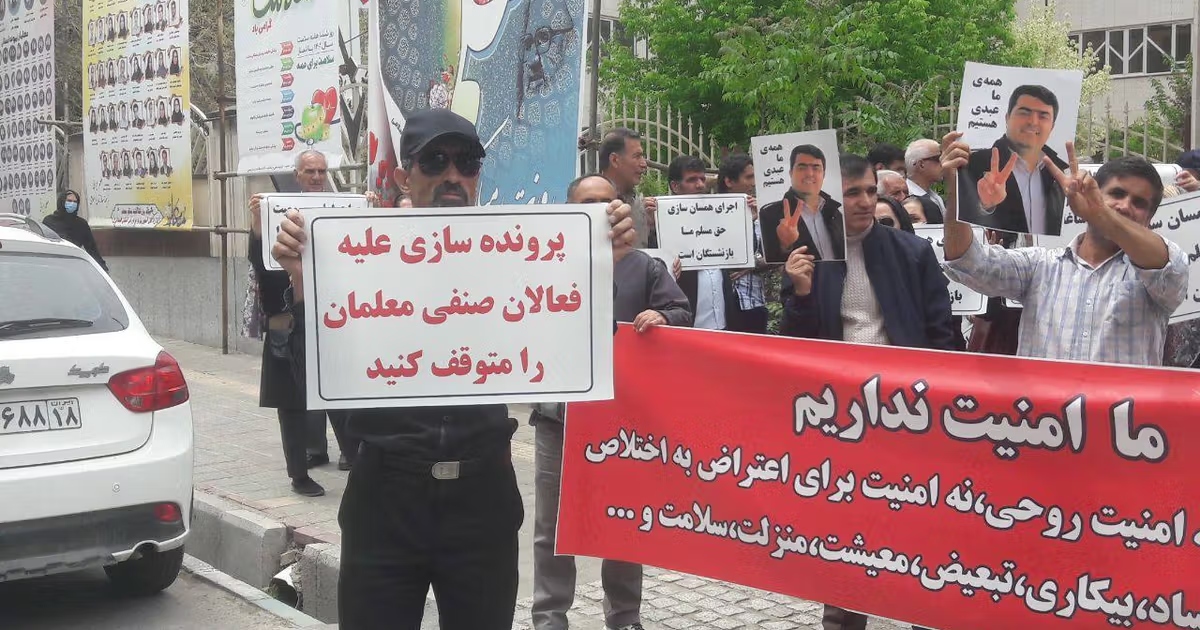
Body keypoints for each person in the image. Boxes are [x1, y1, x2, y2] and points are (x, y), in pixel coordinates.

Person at [270, 108, 637, 629]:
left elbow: (572, 348)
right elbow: (313, 381)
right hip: (384, 502)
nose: (452, 175)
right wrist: (303, 281)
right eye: (435, 161)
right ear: (404, 176)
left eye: (466, 163)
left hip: (482, 500)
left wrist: (603, 265)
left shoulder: (517, 259)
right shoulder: (359, 260)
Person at [530, 173, 690, 630]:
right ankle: (549, 617)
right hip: (559, 419)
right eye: (588, 202)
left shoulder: (645, 267)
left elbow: (682, 312)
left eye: (607, 201)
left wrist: (663, 316)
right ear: (569, 209)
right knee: (552, 528)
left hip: (623, 423)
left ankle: (624, 617)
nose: (600, 210)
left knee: (623, 523)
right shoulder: (546, 263)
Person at [941, 131, 1188, 366]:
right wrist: (957, 193)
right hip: (1043, 399)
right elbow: (968, 262)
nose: (1124, 206)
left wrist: (1100, 213)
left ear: (1150, 219)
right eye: (1117, 194)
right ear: (1094, 193)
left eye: (1139, 203)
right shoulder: (1040, 266)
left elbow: (1169, 266)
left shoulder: (1160, 275)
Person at [247, 150, 348, 496]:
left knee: (341, 396)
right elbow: (261, 262)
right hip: (287, 322)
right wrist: (259, 223)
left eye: (322, 171)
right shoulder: (278, 211)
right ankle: (299, 474)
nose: (317, 177)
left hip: (330, 322)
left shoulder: (341, 209)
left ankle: (352, 454)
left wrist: (370, 210)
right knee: (291, 403)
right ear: (298, 175)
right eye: (310, 171)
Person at [958, 85, 1069, 235]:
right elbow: (957, 226)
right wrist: (985, 206)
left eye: (1043, 116)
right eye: (1024, 112)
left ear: (1052, 127)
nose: (1033, 122)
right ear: (1007, 117)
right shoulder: (972, 165)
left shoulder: (1061, 175)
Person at [759, 144, 845, 264]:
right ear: (791, 173)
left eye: (816, 167)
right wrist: (785, 245)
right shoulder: (771, 214)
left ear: (823, 174)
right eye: (802, 167)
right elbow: (768, 263)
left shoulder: (835, 211)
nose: (809, 173)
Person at [719, 153, 771, 334]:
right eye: (749, 177)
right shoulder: (710, 212)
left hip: (753, 303)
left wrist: (752, 263)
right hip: (721, 307)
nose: (754, 183)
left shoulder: (758, 211)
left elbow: (778, 256)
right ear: (729, 181)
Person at [598, 128, 654, 247]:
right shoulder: (589, 203)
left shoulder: (641, 207)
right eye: (637, 156)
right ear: (614, 160)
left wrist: (652, 227)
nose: (644, 164)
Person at [42, 190, 108, 271]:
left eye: (75, 202)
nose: (72, 204)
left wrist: (103, 268)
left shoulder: (81, 224)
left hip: (73, 265)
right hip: (53, 264)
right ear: (62, 202)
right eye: (69, 201)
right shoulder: (49, 221)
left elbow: (92, 249)